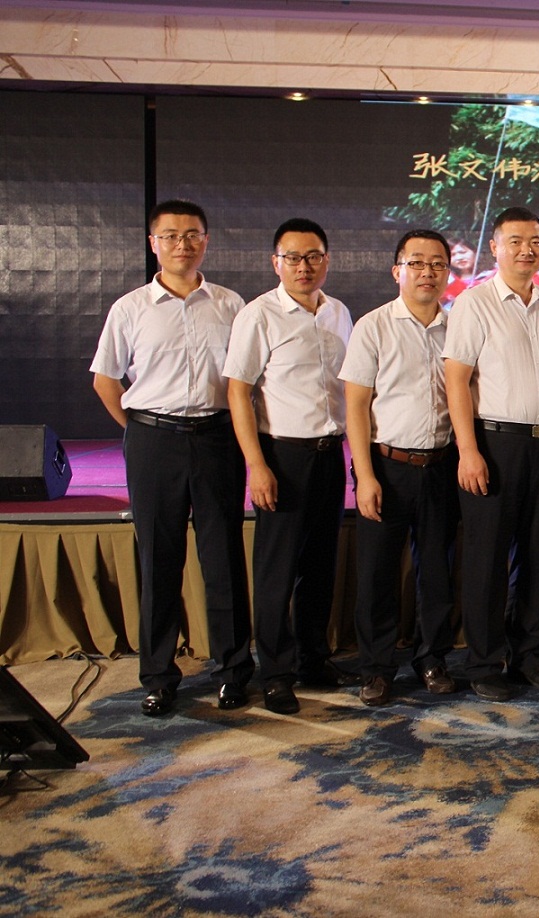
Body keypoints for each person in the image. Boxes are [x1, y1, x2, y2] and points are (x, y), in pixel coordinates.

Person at [90, 199, 253, 717]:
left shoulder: (231, 304)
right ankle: (159, 677)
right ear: (153, 243)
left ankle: (233, 672)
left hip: (216, 439)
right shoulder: (130, 307)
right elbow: (106, 380)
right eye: (171, 235)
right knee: (158, 559)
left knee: (223, 558)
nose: (183, 244)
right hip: (153, 440)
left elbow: (243, 380)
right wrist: (142, 432)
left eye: (192, 234)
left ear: (206, 240)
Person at [225, 218, 356, 714]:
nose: (304, 266)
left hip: (329, 454)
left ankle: (313, 660)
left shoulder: (338, 312)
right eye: (293, 258)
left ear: (327, 260)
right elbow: (238, 392)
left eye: (314, 256)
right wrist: (256, 465)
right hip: (282, 456)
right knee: (276, 571)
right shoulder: (258, 315)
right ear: (275, 263)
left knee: (319, 566)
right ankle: (276, 673)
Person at [445, 206, 539, 702]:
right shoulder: (474, 303)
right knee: (487, 557)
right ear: (495, 247)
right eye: (516, 241)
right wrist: (468, 450)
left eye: (535, 241)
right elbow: (456, 380)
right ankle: (483, 662)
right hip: (495, 444)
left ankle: (529, 657)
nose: (527, 250)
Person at [339, 230, 460, 706]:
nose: (428, 272)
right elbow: (355, 407)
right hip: (387, 466)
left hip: (443, 465)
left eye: (437, 264)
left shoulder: (459, 327)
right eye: (417, 263)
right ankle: (376, 668)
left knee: (437, 571)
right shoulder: (373, 326)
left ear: (448, 272)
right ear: (398, 271)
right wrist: (365, 475)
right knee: (377, 574)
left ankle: (432, 660)